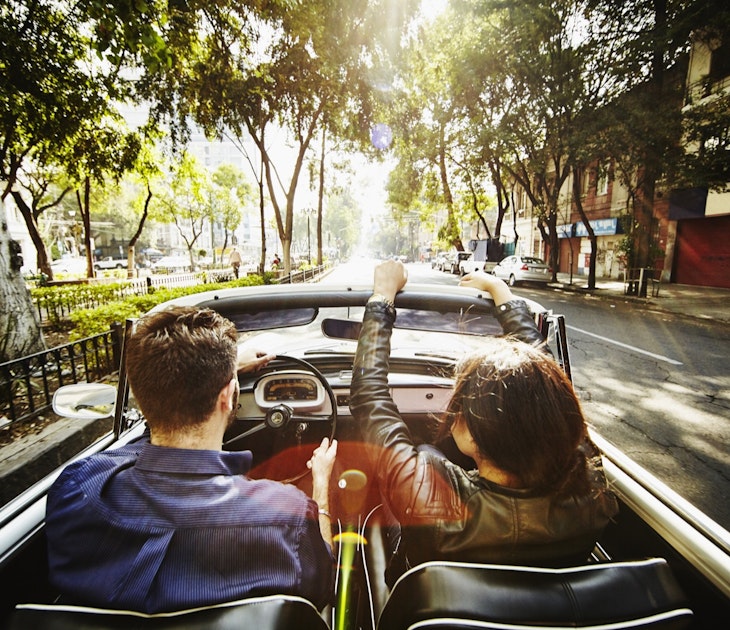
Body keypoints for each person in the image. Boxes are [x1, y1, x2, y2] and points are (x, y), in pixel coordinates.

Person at [46, 306, 338, 613]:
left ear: (142, 396)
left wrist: (222, 375)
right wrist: (321, 488)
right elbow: (321, 586)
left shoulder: (78, 489)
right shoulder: (287, 517)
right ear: (229, 396)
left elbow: (160, 417)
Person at [350, 260, 618, 585]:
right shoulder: (590, 487)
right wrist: (500, 292)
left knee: (425, 453)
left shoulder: (424, 494)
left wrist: (382, 298)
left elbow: (368, 395)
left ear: (476, 437)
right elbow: (549, 384)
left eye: (461, 404)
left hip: (426, 595)